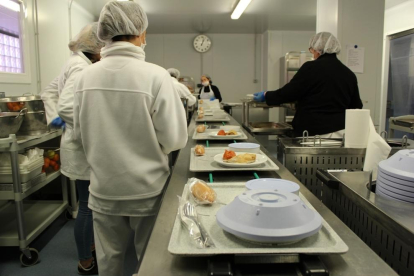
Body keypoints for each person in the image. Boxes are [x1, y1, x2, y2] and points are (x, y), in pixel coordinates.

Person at [72, 2, 188, 276]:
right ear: (142, 33)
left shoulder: (84, 77)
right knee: (148, 264)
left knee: (109, 264)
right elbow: (175, 140)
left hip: (103, 191)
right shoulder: (156, 76)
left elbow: (79, 133)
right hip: (146, 191)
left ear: (104, 33)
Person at [41, 22, 104, 275]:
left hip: (74, 142)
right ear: (97, 47)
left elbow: (48, 92)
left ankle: (88, 246)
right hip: (81, 144)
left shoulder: (74, 62)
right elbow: (68, 105)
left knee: (86, 203)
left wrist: (54, 117)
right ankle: (85, 261)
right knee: (87, 207)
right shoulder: (80, 67)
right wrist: (66, 118)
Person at [254, 32, 363, 137]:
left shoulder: (310, 68)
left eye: (311, 50)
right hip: (339, 133)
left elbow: (289, 93)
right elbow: (356, 106)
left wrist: (266, 95)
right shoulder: (348, 74)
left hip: (311, 132)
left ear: (317, 50)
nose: (312, 53)